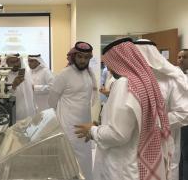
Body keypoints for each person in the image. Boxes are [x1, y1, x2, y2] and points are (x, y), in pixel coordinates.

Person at [75, 38, 171, 180]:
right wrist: (100, 126)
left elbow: (118, 135)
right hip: (135, 160)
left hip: (121, 167)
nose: (110, 69)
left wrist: (92, 131)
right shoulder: (142, 82)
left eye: (110, 64)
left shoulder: (124, 84)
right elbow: (128, 123)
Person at [134, 40, 188, 180]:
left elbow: (184, 113)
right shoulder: (128, 77)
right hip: (134, 141)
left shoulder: (172, 76)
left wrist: (154, 122)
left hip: (164, 141)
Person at [48, 41, 96, 180]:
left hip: (84, 127)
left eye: (86, 58)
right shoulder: (65, 74)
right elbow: (52, 100)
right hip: (68, 127)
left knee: (85, 160)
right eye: (80, 57)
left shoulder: (89, 74)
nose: (83, 60)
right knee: (69, 163)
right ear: (73, 56)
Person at [3, 53, 36, 121]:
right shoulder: (3, 76)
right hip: (16, 115)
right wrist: (14, 86)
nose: (16, 64)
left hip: (30, 112)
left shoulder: (26, 73)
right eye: (12, 62)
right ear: (7, 63)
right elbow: (3, 98)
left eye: (17, 61)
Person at [177, 49, 188, 180]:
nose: (180, 59)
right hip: (177, 120)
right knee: (178, 154)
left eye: (184, 57)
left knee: (185, 155)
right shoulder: (174, 76)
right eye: (179, 57)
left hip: (186, 119)